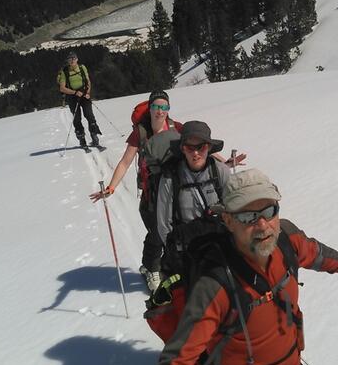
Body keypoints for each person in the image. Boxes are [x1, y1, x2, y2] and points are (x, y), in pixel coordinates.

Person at [133, 168, 338, 365]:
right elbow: (176, 364)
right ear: (228, 221)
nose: (262, 225)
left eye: (269, 211)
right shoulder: (214, 284)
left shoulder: (287, 241)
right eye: (247, 216)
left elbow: (319, 255)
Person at [89, 92, 244, 291]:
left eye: (164, 107)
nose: (160, 111)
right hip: (152, 192)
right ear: (150, 108)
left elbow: (198, 145)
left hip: (176, 185)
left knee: (179, 226)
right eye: (156, 107)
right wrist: (111, 187)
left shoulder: (176, 127)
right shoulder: (141, 133)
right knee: (156, 232)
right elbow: (125, 162)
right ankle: (152, 268)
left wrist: (225, 163)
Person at [154, 120, 232, 281]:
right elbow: (164, 223)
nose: (195, 153)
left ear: (209, 147)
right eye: (190, 147)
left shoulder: (220, 171)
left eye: (201, 147)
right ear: (183, 148)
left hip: (219, 244)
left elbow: (233, 208)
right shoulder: (171, 178)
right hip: (187, 249)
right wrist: (175, 253)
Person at [57, 51, 101, 148]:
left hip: (84, 94)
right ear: (68, 61)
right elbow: (62, 88)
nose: (72, 61)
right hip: (72, 97)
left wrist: (88, 92)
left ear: (77, 59)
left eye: (74, 58)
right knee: (77, 118)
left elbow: (88, 81)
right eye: (70, 59)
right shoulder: (64, 72)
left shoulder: (82, 67)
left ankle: (94, 137)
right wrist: (75, 92)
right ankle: (82, 139)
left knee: (89, 115)